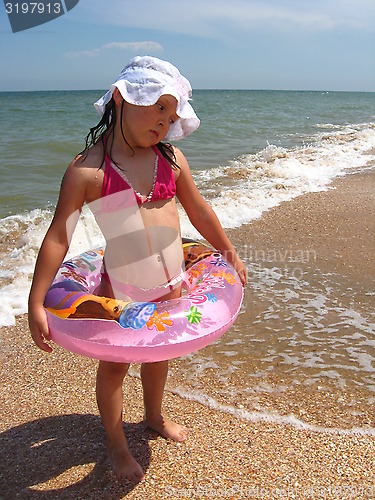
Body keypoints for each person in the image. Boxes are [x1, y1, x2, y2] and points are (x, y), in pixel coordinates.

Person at [28, 56, 247, 483]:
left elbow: (199, 212)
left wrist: (228, 251)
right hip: (123, 291)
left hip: (172, 282)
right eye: (157, 107)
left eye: (172, 112)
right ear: (121, 98)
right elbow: (59, 237)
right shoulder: (89, 171)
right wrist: (36, 302)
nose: (165, 121)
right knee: (115, 367)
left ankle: (153, 416)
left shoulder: (171, 159)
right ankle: (115, 442)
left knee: (159, 353)